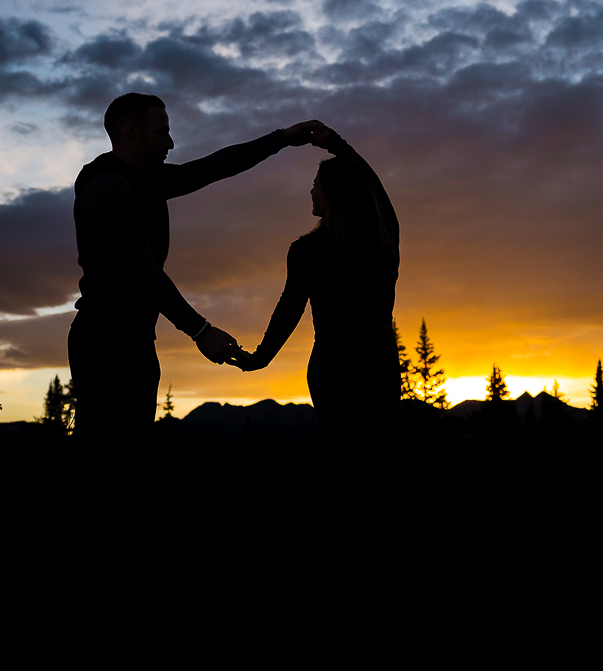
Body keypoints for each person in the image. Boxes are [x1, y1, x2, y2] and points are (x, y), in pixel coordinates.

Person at [68, 91, 322, 439]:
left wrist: (281, 139)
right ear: (131, 132)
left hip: (135, 341)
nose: (170, 142)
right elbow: (143, 272)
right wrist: (200, 331)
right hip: (105, 346)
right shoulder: (107, 188)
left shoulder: (147, 180)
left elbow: (213, 167)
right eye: (162, 132)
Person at [235, 124, 400, 444]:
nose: (311, 192)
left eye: (316, 185)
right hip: (378, 362)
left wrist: (260, 358)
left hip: (332, 365)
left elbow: (289, 308)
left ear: (333, 193)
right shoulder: (383, 239)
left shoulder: (306, 251)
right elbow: (373, 186)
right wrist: (336, 145)